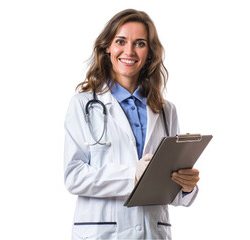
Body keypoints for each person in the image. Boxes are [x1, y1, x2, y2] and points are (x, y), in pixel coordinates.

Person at [63, 9, 201, 239]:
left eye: (140, 43)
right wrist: (132, 176)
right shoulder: (83, 105)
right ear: (107, 47)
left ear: (149, 53)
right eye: (121, 41)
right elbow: (74, 176)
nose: (129, 51)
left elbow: (168, 189)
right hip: (103, 233)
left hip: (152, 232)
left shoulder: (166, 110)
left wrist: (186, 186)